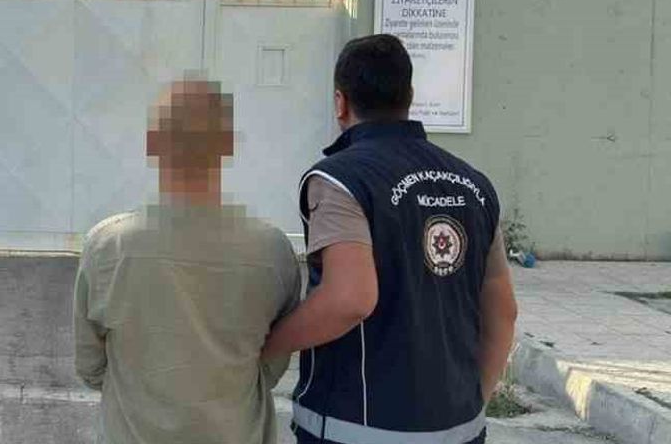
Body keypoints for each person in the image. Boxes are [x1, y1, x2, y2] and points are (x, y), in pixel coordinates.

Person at [262, 34, 519, 444]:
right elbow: (503, 311)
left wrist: (265, 345)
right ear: (409, 97)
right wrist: (472, 405)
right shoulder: (474, 185)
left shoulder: (340, 179)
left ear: (340, 102)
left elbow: (349, 300)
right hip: (461, 430)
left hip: (358, 428)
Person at [74, 77, 303, 444]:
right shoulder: (273, 252)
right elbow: (273, 364)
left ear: (153, 144)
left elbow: (90, 365)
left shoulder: (107, 246)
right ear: (227, 145)